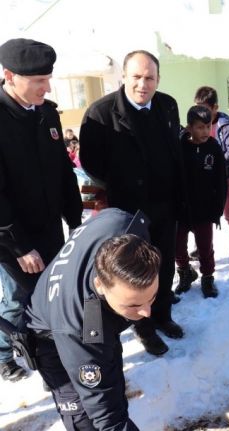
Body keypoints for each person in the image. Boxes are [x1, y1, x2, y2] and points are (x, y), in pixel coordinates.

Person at [79, 50, 185, 356]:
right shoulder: (101, 113)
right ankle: (144, 327)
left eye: (149, 77)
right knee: (137, 273)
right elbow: (91, 163)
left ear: (158, 79)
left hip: (165, 205)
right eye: (136, 77)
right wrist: (119, 186)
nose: (143, 84)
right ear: (124, 76)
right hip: (128, 211)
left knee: (163, 267)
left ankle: (163, 315)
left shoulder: (167, 105)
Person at [25, 208, 159, 430]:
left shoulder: (126, 228)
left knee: (113, 380)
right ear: (100, 285)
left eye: (151, 297)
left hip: (86, 317)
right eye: (133, 305)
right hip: (51, 340)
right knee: (84, 419)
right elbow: (106, 412)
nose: (147, 313)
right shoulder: (82, 326)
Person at [0, 38, 83, 382]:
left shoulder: (47, 113)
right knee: (17, 298)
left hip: (49, 228)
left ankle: (44, 348)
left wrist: (75, 220)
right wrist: (19, 246)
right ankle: (6, 355)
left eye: (48, 79)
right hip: (12, 238)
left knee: (49, 292)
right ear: (9, 76)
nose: (46, 87)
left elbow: (62, 170)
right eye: (38, 81)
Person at [174, 106, 226, 299]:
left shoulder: (214, 148)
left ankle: (207, 278)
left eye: (208, 126)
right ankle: (185, 273)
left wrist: (218, 208)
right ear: (189, 128)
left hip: (204, 209)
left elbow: (221, 181)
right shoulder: (180, 147)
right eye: (200, 127)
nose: (205, 131)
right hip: (181, 209)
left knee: (205, 246)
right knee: (178, 246)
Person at [193, 86, 229, 257]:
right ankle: (202, 245)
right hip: (205, 180)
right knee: (203, 213)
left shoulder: (225, 126)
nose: (201, 113)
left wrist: (216, 163)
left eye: (205, 109)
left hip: (227, 178)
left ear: (215, 107)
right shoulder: (196, 124)